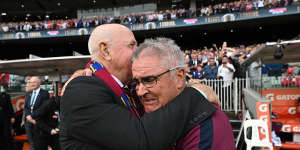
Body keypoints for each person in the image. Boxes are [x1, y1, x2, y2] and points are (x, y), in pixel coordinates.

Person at [60, 24, 219, 150]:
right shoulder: (82, 89)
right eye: (132, 45)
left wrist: (190, 84)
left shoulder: (126, 87)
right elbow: (140, 140)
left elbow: (167, 82)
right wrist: (195, 93)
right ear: (105, 50)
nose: (138, 52)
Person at [131, 37, 235, 149]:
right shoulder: (142, 105)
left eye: (150, 80)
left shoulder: (207, 124)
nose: (140, 92)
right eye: (136, 82)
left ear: (179, 77)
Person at [23, 76, 49, 150]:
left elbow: (44, 108)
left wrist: (32, 116)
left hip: (38, 122)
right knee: (31, 143)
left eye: (34, 82)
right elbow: (26, 107)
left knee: (39, 143)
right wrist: (28, 115)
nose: (32, 84)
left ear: (39, 83)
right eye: (30, 82)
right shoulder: (28, 93)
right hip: (28, 122)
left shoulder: (45, 93)